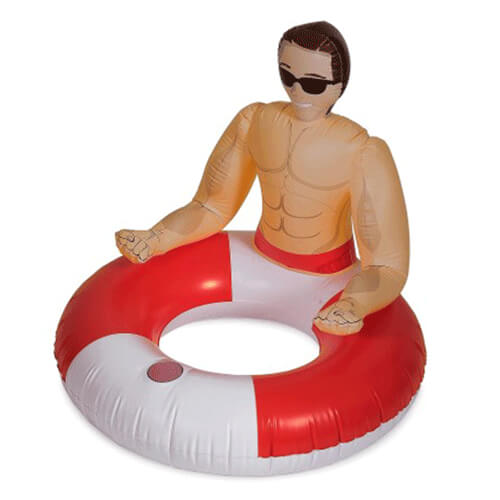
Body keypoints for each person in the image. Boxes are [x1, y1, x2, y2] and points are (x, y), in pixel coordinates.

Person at [115, 21, 410, 336]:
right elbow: (211, 205)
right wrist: (156, 238)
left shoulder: (362, 150)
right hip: (258, 255)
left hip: (328, 277)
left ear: (339, 86)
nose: (296, 91)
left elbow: (387, 264)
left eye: (313, 84)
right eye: (287, 77)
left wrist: (355, 303)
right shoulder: (255, 120)